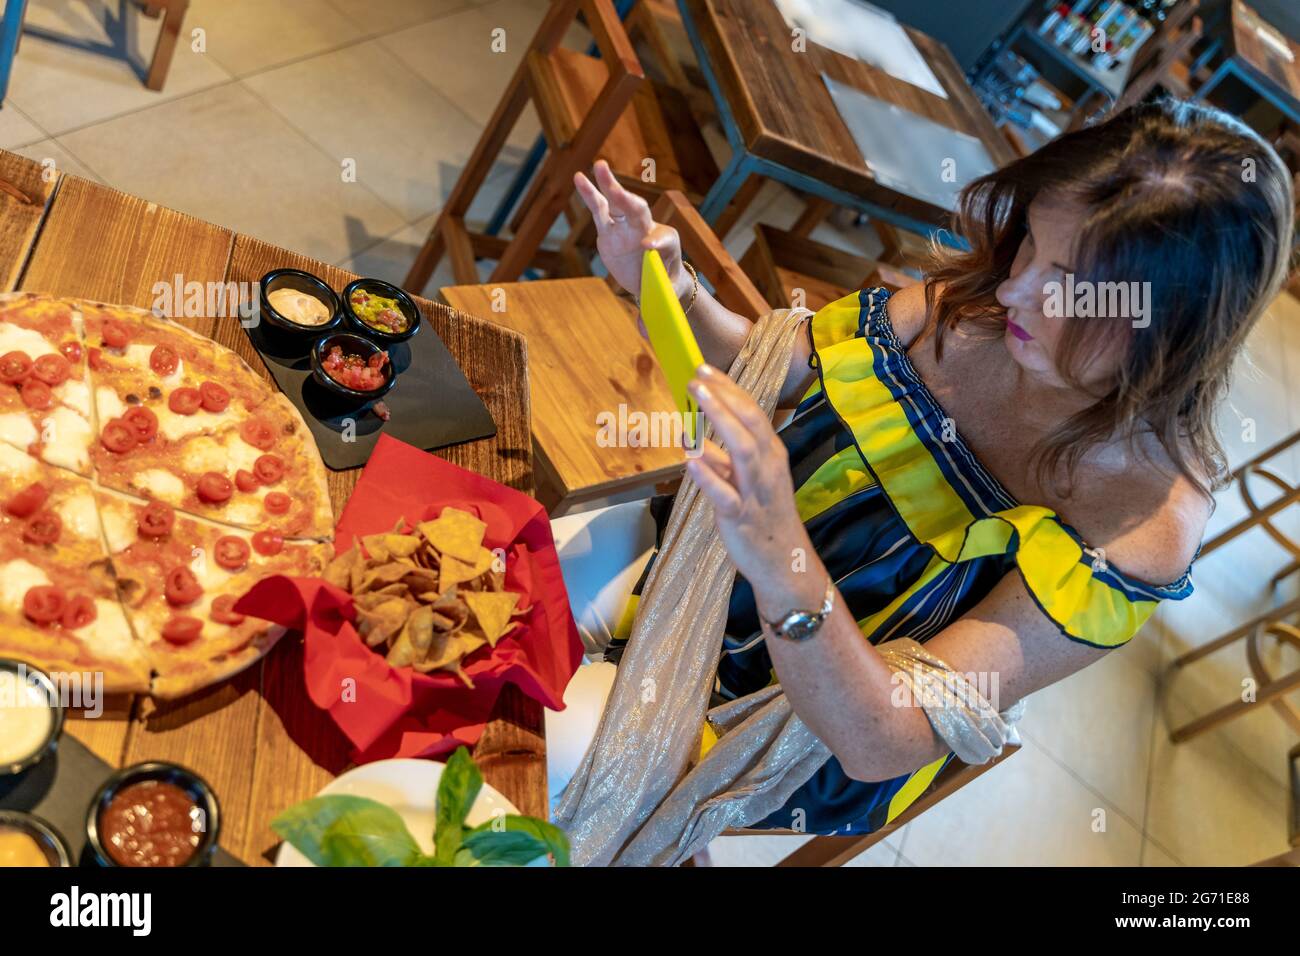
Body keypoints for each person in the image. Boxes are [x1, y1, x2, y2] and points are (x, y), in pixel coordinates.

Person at [546, 97, 1296, 836]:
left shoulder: (1139, 518)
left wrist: (784, 561)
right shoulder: (972, 311)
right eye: (1030, 243)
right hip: (704, 562)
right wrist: (669, 290)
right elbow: (768, 366)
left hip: (797, 720)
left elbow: (884, 738)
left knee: (543, 747)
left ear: (1172, 329)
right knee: (502, 579)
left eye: (1067, 285)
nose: (1012, 289)